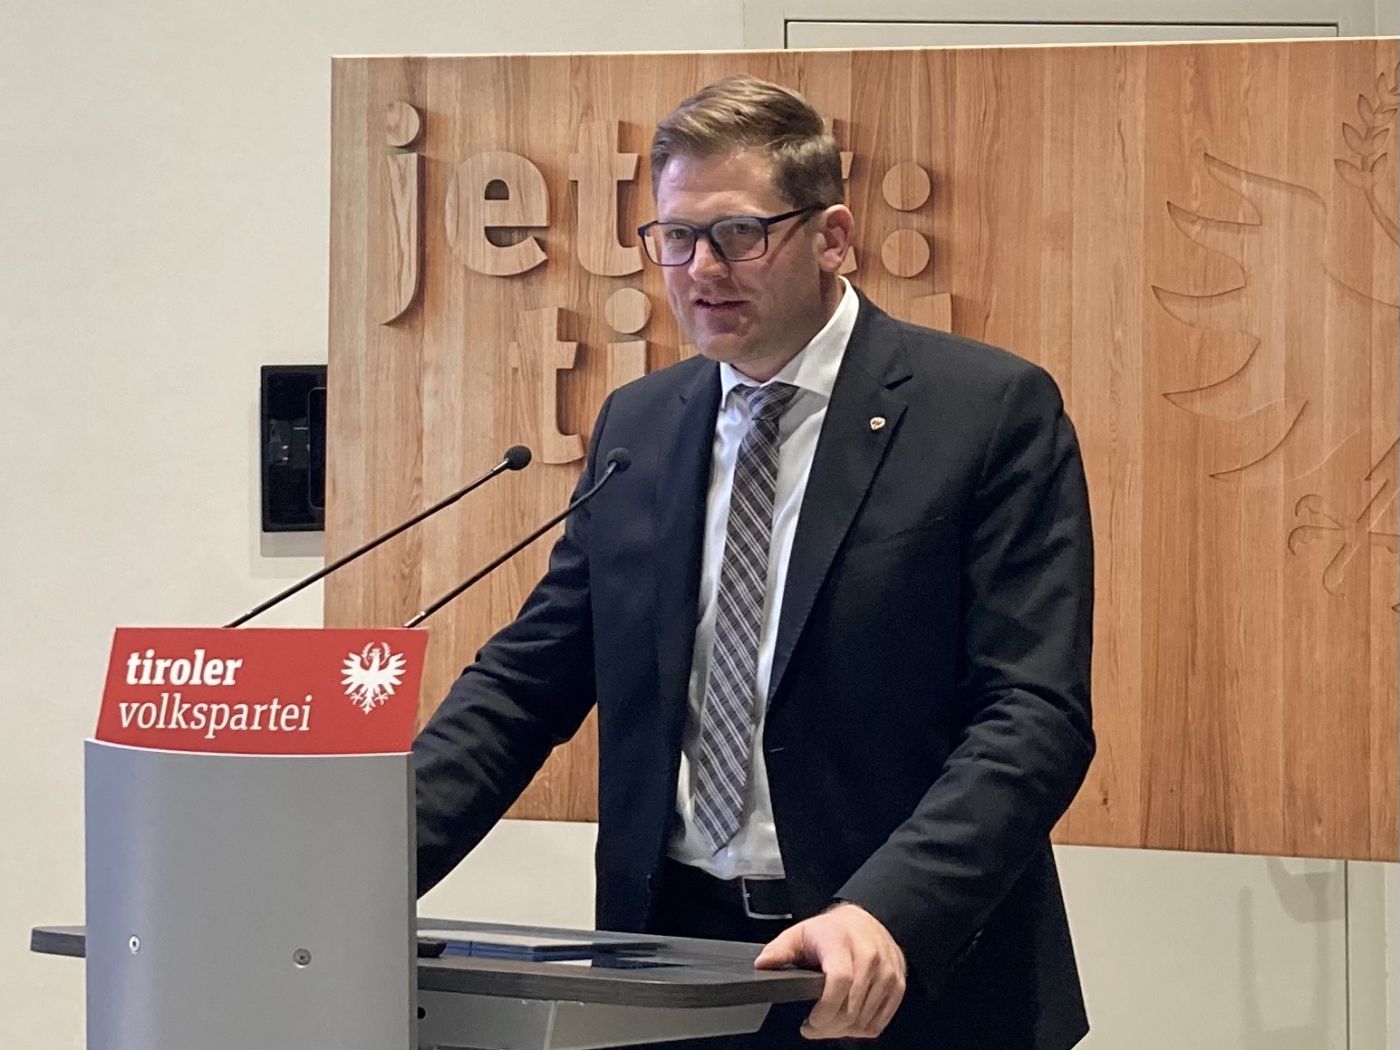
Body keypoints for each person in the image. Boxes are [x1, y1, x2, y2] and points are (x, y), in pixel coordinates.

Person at [414, 73, 1096, 1050]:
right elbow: (525, 686)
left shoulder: (983, 412)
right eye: (676, 236)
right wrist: (359, 871)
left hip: (899, 970)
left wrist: (886, 908)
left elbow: (1032, 716)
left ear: (832, 237)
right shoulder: (641, 427)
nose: (701, 268)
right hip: (673, 968)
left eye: (739, 233)